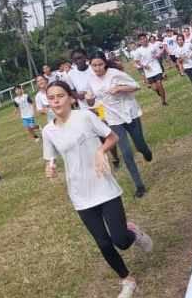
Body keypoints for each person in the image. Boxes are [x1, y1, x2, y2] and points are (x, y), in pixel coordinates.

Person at [42, 81, 152, 298]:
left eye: (60, 96)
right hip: (79, 193)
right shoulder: (48, 131)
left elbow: (112, 137)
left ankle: (133, 233)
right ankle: (127, 280)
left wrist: (101, 151)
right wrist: (50, 166)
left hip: (103, 185)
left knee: (120, 240)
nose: (56, 101)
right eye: (51, 97)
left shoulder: (85, 117)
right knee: (103, 242)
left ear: (70, 98)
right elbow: (50, 157)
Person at [86, 52, 152, 198]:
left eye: (100, 64)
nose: (97, 68)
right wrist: (89, 99)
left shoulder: (115, 74)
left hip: (130, 113)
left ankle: (145, 150)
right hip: (113, 119)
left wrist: (120, 88)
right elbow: (92, 101)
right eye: (94, 65)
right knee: (126, 152)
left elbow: (136, 86)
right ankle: (139, 185)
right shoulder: (90, 80)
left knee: (140, 145)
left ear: (105, 63)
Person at [68, 49, 121, 170]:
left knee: (105, 131)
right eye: (76, 59)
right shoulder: (71, 74)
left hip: (99, 106)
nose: (79, 61)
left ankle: (115, 158)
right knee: (94, 135)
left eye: (80, 57)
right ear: (73, 61)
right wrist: (78, 96)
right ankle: (103, 156)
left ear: (85, 57)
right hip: (85, 109)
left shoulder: (94, 68)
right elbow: (71, 90)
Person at [132, 33, 167, 106]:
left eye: (144, 38)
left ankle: (163, 101)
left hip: (156, 67)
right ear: (139, 41)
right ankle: (160, 93)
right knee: (155, 88)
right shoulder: (138, 51)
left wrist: (158, 55)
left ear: (146, 38)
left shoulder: (153, 46)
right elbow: (136, 61)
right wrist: (144, 66)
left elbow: (159, 53)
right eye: (141, 39)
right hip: (148, 71)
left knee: (159, 84)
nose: (143, 40)